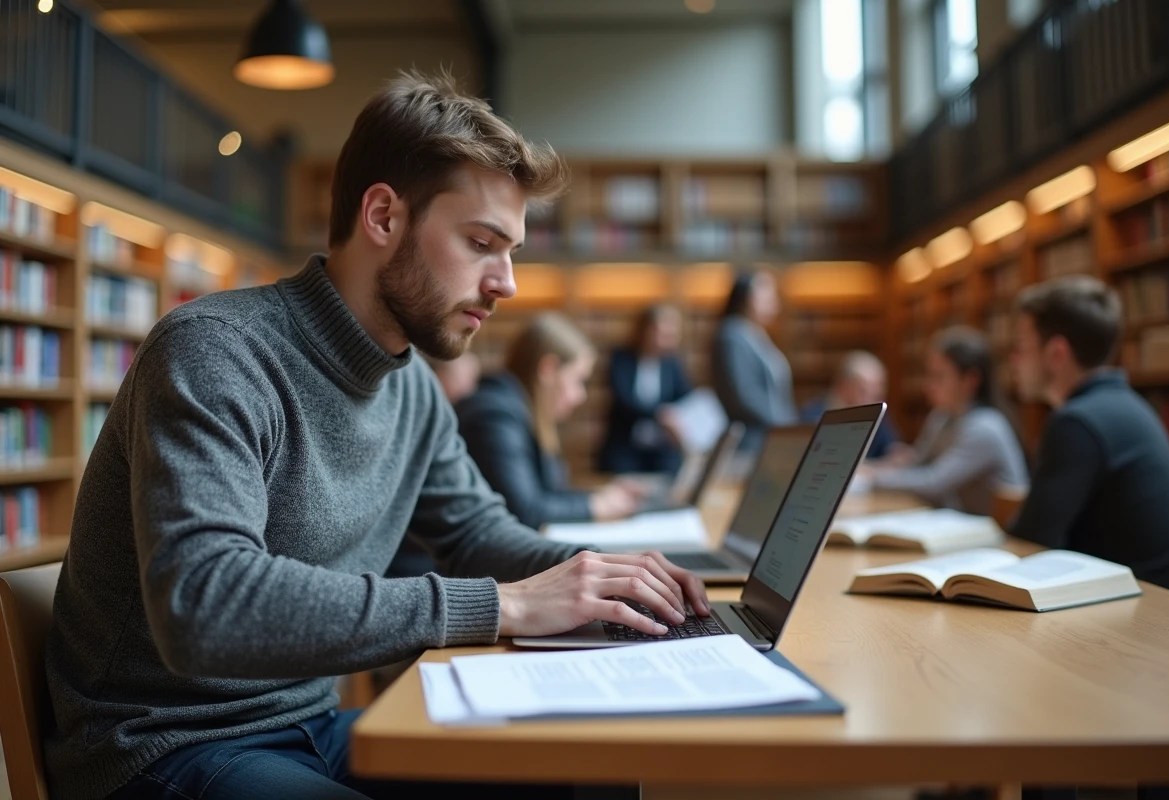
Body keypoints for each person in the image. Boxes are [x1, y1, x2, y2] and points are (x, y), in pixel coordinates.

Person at [45, 71, 709, 800]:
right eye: (481, 243)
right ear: (384, 216)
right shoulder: (215, 352)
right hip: (164, 745)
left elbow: (475, 532)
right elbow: (206, 603)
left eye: (511, 250)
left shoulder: (412, 387)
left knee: (585, 775)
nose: (507, 283)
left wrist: (607, 580)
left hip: (310, 725)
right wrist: (506, 605)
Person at [1007, 276, 1169, 591]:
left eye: (1022, 346)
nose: (1014, 360)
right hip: (1145, 599)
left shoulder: (1077, 423)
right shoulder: (1127, 406)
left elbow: (1030, 540)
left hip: (1129, 610)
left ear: (1056, 353)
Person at [457, 312, 646, 529]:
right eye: (577, 380)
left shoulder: (516, 410)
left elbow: (546, 493)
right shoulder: (495, 416)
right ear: (548, 369)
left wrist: (598, 496)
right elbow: (524, 510)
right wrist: (596, 505)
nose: (580, 395)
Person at [860, 326, 1027, 516]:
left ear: (970, 380)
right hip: (966, 523)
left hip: (999, 531)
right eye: (928, 375)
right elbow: (917, 464)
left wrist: (870, 478)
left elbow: (933, 483)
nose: (928, 385)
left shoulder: (985, 427)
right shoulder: (941, 417)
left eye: (938, 376)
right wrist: (876, 467)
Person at [599, 303, 692, 476]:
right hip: (626, 445)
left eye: (672, 335)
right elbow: (624, 400)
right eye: (663, 334)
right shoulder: (622, 359)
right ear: (646, 331)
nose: (668, 340)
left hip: (661, 447)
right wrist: (659, 414)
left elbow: (684, 396)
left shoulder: (672, 364)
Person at [711, 268, 798, 452]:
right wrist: (782, 424)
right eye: (765, 290)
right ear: (745, 296)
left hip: (772, 434)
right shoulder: (732, 334)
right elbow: (744, 394)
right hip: (753, 439)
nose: (773, 298)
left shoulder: (757, 333)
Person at [798, 350, 902, 461]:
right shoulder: (812, 415)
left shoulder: (875, 411)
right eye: (864, 391)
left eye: (877, 394)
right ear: (844, 386)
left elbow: (893, 449)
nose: (872, 400)